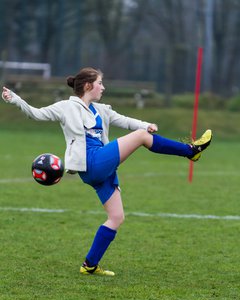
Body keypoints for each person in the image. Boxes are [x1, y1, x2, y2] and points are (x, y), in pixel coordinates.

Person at [2, 67, 212, 276]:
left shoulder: (101, 110)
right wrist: (15, 99)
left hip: (101, 166)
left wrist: (146, 124)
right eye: (100, 83)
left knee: (116, 217)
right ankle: (191, 151)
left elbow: (125, 120)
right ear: (88, 85)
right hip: (91, 163)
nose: (103, 87)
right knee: (140, 137)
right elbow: (35, 114)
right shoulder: (66, 107)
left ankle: (90, 265)